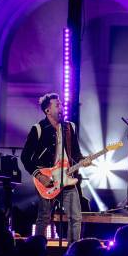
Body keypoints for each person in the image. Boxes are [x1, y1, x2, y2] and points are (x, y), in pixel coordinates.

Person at [20, 93, 90, 245]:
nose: (62, 107)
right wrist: (39, 176)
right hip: (48, 180)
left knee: (76, 218)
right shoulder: (38, 129)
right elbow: (25, 157)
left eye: (61, 104)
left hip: (67, 178)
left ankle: (73, 251)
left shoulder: (70, 127)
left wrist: (82, 160)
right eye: (57, 105)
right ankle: (37, 250)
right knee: (44, 218)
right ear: (47, 110)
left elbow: (76, 153)